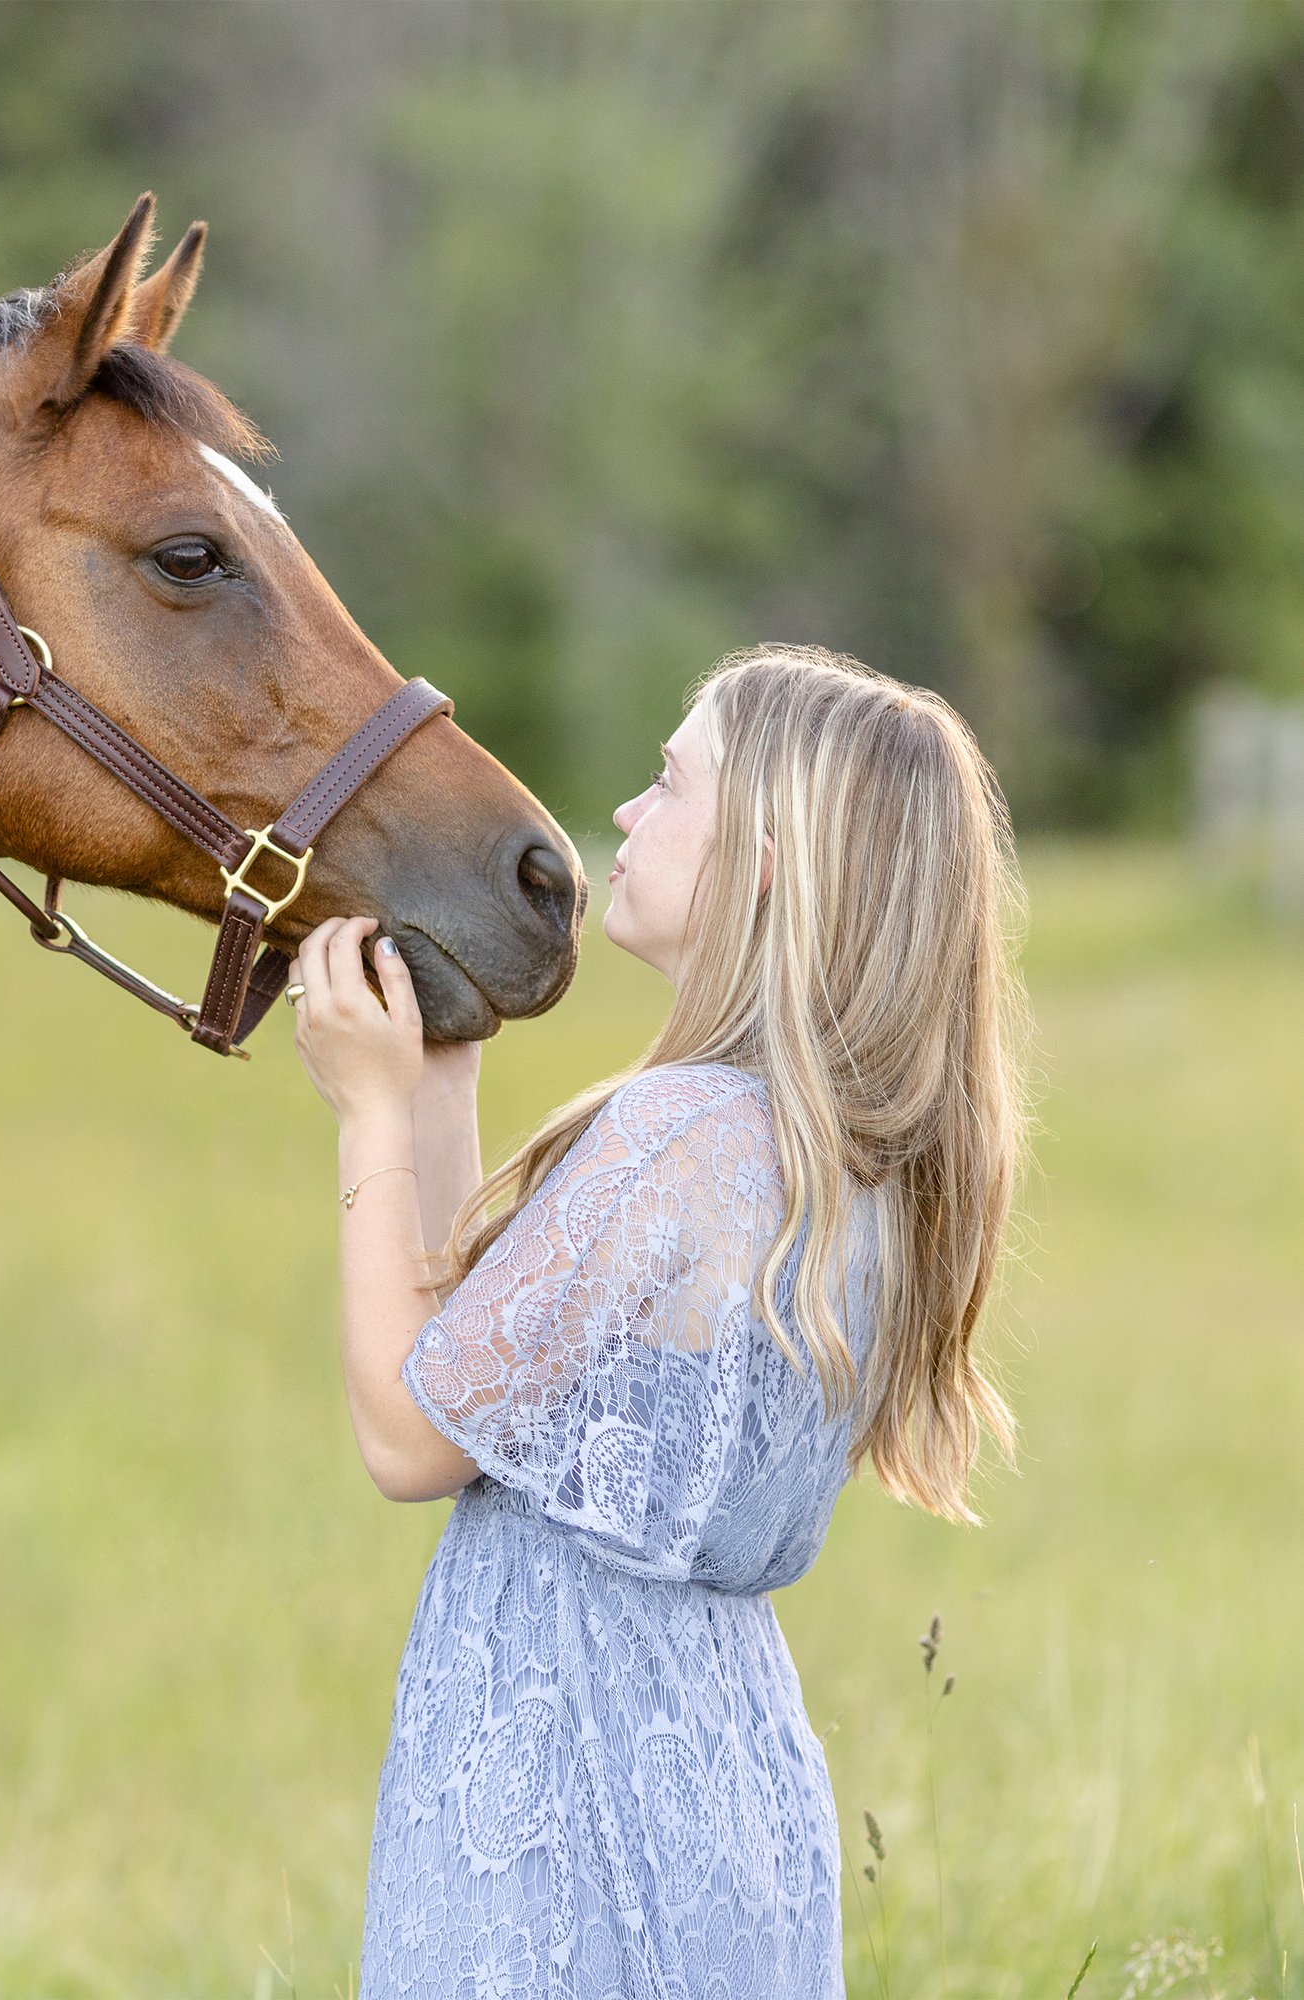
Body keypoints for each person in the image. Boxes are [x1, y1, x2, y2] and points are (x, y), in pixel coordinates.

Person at [288, 645, 1025, 1996]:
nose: (624, 816)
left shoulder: (677, 1132)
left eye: (669, 783)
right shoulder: (832, 1157)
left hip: (566, 1769)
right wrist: (446, 1087)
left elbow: (413, 1433)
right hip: (718, 1763)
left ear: (760, 857)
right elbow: (488, 1379)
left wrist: (373, 1116)